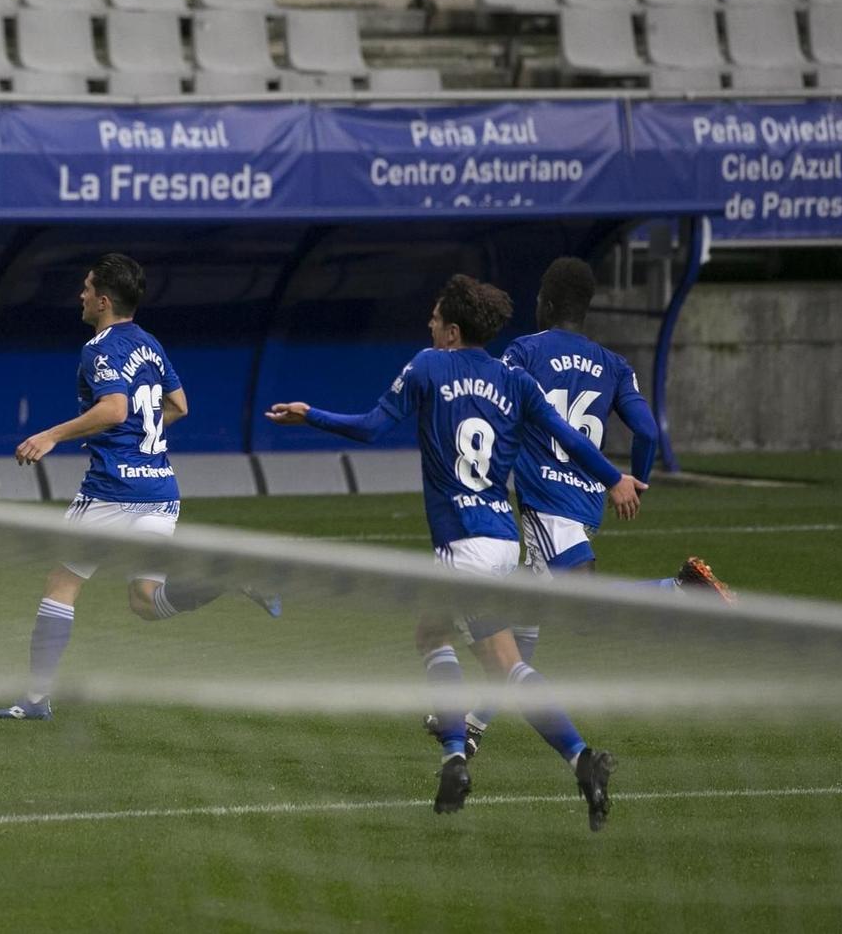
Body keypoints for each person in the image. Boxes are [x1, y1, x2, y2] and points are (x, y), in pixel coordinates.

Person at [266, 274, 648, 831]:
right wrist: (615, 478)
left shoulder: (426, 366)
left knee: (504, 664)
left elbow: (372, 428)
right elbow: (573, 438)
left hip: (463, 546)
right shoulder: (515, 380)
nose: (427, 324)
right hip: (502, 540)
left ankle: (580, 758)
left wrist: (311, 415)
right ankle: (454, 759)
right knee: (432, 632)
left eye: (434, 317)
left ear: (450, 331)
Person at [450, 257, 732, 758]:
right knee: (527, 625)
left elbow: (495, 403)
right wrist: (635, 482)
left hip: (546, 505)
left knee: (582, 608)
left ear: (550, 302)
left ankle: (680, 589)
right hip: (585, 503)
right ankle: (472, 728)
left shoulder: (524, 351)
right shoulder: (614, 364)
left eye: (539, 295)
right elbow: (645, 430)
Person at [0, 253, 275, 724]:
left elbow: (115, 410)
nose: (80, 296)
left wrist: (50, 436)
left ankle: (37, 699)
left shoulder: (100, 347)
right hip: (160, 488)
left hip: (112, 489)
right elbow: (180, 405)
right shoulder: (149, 344)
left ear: (103, 301)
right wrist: (142, 432)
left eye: (86, 289)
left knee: (61, 585)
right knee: (145, 601)